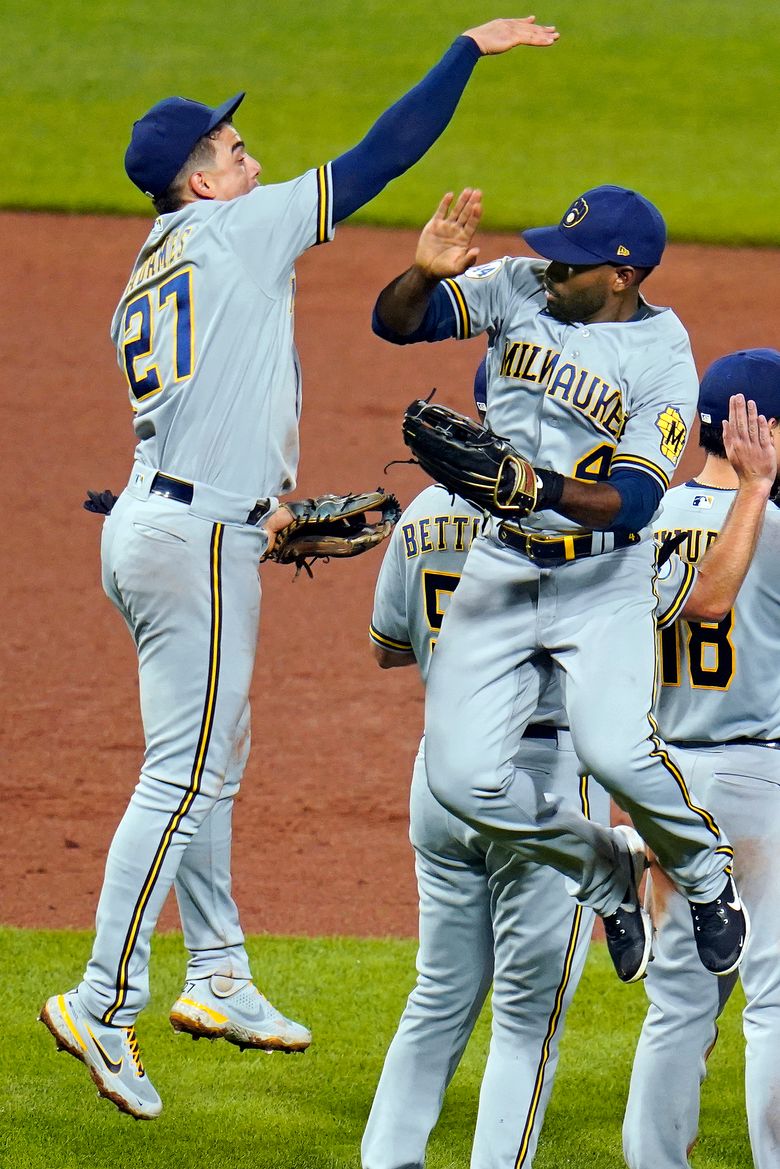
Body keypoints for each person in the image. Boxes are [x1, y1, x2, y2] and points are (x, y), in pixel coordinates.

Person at [37, 17, 561, 1121]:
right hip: (193, 540)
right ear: (200, 182)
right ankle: (103, 996)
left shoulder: (152, 265)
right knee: (183, 774)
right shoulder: (236, 232)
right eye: (233, 151)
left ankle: (219, 971)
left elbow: (204, 405)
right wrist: (465, 50)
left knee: (205, 759)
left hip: (157, 518)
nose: (254, 160)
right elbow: (384, 154)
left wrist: (255, 504)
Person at [371, 183, 749, 986]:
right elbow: (395, 323)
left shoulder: (662, 357)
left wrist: (535, 488)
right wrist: (422, 275)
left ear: (622, 275)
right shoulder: (516, 285)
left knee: (616, 751)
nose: (550, 270)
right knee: (459, 780)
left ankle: (708, 878)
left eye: (570, 264)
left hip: (602, 577)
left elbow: (640, 498)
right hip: (502, 563)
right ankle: (605, 871)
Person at [623, 351, 780, 1169]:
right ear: (765, 434)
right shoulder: (774, 526)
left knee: (680, 1000)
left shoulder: (642, 518)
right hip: (756, 777)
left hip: (665, 775)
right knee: (775, 999)